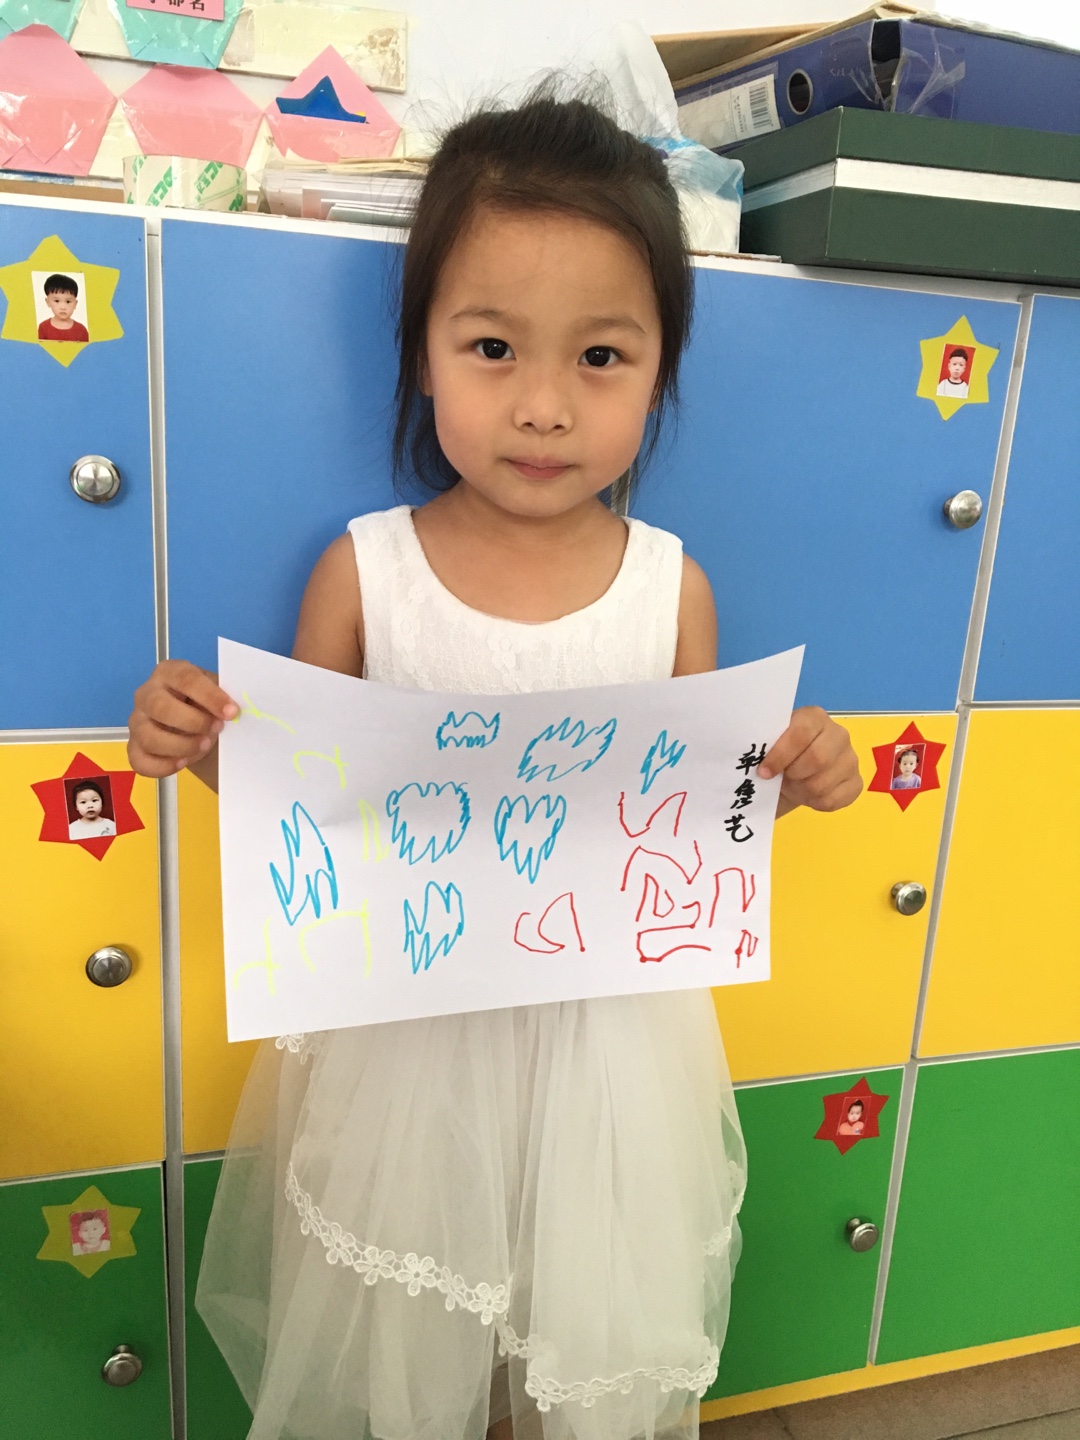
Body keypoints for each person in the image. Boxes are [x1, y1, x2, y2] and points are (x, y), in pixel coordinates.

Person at [127, 92, 862, 1440]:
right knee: (408, 1335)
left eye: (601, 356)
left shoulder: (672, 588)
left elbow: (693, 832)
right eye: (491, 347)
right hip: (414, 1045)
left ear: (659, 373)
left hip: (609, 1050)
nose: (541, 405)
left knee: (587, 1315)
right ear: (423, 355)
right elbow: (315, 813)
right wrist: (203, 750)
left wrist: (797, 779)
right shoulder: (367, 571)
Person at [37, 274, 89, 343]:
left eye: (68, 302)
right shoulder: (43, 327)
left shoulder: (81, 330)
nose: (63, 307)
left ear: (75, 304)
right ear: (48, 302)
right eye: (57, 301)